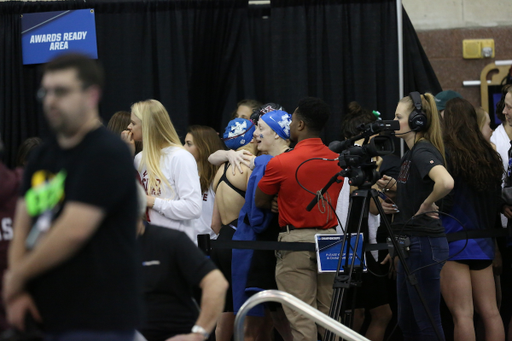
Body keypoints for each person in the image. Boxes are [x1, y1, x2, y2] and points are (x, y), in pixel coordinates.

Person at [4, 53, 140, 340]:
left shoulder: (108, 152)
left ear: (91, 95)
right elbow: (23, 224)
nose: (50, 100)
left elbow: (74, 230)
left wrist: (16, 277)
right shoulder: (42, 156)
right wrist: (19, 291)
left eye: (61, 91)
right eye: (46, 91)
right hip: (45, 317)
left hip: (97, 320)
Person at [255, 97, 344, 341]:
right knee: (331, 317)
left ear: (301, 125)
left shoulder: (281, 162)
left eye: (292, 120)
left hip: (296, 241)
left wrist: (279, 201)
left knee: (301, 318)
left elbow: (260, 200)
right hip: (331, 239)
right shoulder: (337, 160)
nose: (290, 125)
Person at [379, 92, 453, 341]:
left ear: (417, 120)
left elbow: (445, 182)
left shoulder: (421, 151)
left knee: (426, 322)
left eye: (399, 116)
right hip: (412, 244)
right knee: (408, 321)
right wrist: (397, 187)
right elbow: (418, 187)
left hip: (423, 244)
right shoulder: (411, 155)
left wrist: (428, 203)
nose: (393, 120)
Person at [439, 98, 504, 341]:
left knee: (462, 315)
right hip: (484, 242)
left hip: (453, 241)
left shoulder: (445, 154)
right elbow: (496, 201)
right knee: (491, 313)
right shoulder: (489, 154)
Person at [232, 111, 293, 341]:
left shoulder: (267, 164)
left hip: (260, 244)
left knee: (257, 322)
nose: (255, 134)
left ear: (277, 134)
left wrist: (267, 203)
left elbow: (255, 217)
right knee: (278, 317)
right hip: (276, 244)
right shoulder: (272, 160)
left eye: (260, 128)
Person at [138, 221, 228, 341]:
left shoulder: (169, 240)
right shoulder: (108, 247)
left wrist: (199, 333)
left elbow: (216, 283)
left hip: (175, 331)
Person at [128, 99, 202, 244]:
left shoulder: (180, 157)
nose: (129, 127)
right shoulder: (139, 158)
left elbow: (193, 208)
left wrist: (152, 201)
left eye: (133, 123)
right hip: (149, 243)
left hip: (177, 246)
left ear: (147, 126)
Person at [210, 118, 256, 341]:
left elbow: (214, 224)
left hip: (222, 241)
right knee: (250, 314)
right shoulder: (249, 165)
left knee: (226, 311)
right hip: (242, 240)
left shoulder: (221, 168)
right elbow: (257, 214)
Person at [491, 84, 512, 340]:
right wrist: (500, 204)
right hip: (506, 228)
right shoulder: (495, 139)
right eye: (506, 105)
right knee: (508, 295)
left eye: (511, 108)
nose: (506, 112)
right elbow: (490, 184)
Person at [183, 125, 226, 241]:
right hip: (188, 243)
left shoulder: (219, 176)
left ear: (203, 146)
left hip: (211, 244)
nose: (183, 148)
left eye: (189, 143)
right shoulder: (184, 174)